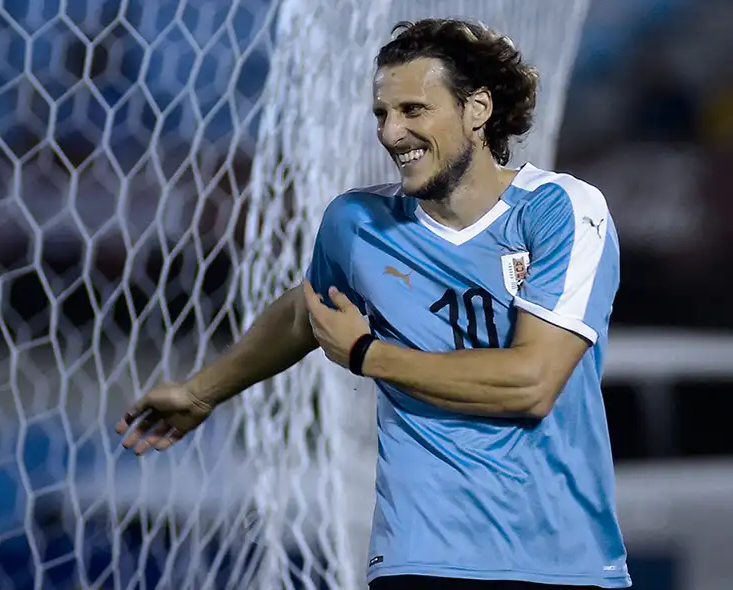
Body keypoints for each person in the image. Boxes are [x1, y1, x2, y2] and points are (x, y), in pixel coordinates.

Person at [116, 18, 631, 590]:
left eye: (414, 110)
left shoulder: (561, 210)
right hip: (418, 555)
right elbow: (302, 313)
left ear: (478, 109)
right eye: (382, 115)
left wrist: (367, 353)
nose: (391, 133)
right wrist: (199, 392)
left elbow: (530, 384)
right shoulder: (357, 223)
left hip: (560, 561)